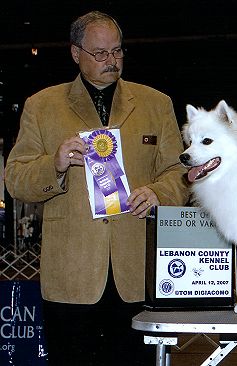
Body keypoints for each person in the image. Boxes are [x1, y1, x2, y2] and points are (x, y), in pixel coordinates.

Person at [5, 11, 189, 366]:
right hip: (71, 280)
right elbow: (15, 179)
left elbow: (178, 173)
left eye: (118, 51)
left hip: (137, 276)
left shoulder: (157, 103)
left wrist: (159, 193)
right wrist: (54, 165)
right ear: (76, 54)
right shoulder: (41, 106)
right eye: (100, 53)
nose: (112, 61)